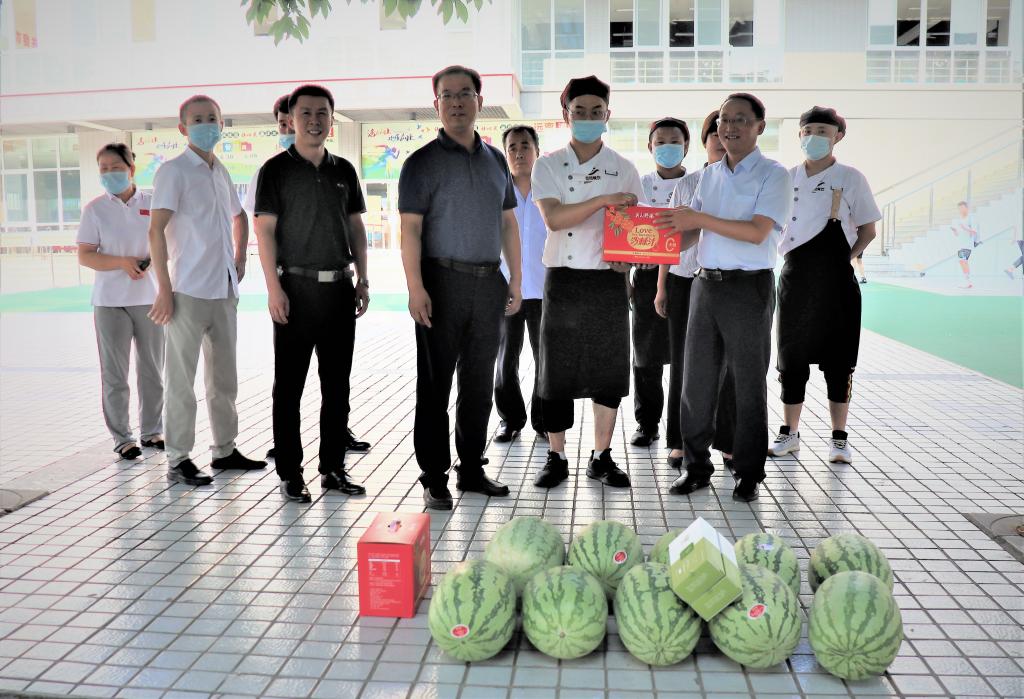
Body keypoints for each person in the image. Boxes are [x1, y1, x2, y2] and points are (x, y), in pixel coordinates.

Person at [657, 93, 792, 502]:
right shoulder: (710, 175)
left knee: (747, 383)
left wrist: (697, 218)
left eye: (740, 120)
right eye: (724, 120)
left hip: (748, 288)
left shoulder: (774, 175)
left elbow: (756, 231)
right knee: (695, 382)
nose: (730, 127)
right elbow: (691, 234)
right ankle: (697, 467)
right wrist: (647, 238)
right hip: (705, 285)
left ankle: (748, 472)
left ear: (759, 126)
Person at [399, 65, 523, 510]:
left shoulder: (495, 160)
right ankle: (434, 475)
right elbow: (410, 230)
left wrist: (515, 278)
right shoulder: (421, 163)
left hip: (489, 282)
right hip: (440, 282)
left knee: (478, 383)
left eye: (465, 93)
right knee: (435, 385)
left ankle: (471, 468)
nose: (456, 102)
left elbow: (507, 223)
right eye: (447, 95)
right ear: (436, 104)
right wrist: (415, 287)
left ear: (479, 101)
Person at [253, 84, 370, 503]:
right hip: (294, 291)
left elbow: (356, 227)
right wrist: (273, 289)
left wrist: (363, 279)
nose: (315, 121)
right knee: (289, 388)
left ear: (332, 119)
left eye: (323, 113)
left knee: (337, 386)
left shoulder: (344, 170)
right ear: (291, 118)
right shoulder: (275, 170)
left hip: (339, 290)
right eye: (306, 113)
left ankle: (333, 468)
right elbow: (264, 232)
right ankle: (290, 472)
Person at [530, 75, 645, 490]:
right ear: (566, 115)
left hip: (607, 282)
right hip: (562, 279)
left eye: (596, 112)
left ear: (607, 115)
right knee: (556, 370)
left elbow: (638, 231)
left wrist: (628, 260)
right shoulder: (547, 165)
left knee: (608, 370)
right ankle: (556, 455)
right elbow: (554, 218)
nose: (588, 118)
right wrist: (603, 200)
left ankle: (601, 456)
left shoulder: (625, 169)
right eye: (579, 111)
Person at [148, 94, 266, 486]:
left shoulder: (220, 171)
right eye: (197, 119)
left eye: (212, 118)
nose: (206, 125)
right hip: (187, 291)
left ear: (222, 124)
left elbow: (239, 216)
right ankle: (179, 458)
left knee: (224, 379)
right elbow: (155, 231)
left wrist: (241, 257)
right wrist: (163, 289)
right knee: (181, 381)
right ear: (183, 128)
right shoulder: (173, 172)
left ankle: (224, 450)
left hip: (223, 289)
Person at [768, 106, 880, 466]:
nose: (814, 137)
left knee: (839, 362)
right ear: (799, 135)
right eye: (808, 131)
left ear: (837, 137)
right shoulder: (785, 177)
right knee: (791, 359)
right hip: (795, 278)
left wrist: (845, 257)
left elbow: (868, 230)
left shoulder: (851, 177)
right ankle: (790, 433)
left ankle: (839, 439)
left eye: (822, 131)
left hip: (837, 284)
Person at [654, 111, 735, 473]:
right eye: (714, 133)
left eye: (729, 130)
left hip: (729, 282)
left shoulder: (747, 182)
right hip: (684, 280)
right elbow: (669, 240)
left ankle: (729, 442)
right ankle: (678, 440)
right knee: (684, 365)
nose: (722, 138)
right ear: (704, 142)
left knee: (730, 367)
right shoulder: (687, 185)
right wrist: (661, 286)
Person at [77, 143, 164, 461]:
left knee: (153, 370)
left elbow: (170, 242)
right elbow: (86, 255)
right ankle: (123, 438)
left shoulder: (153, 203)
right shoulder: (95, 209)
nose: (109, 173)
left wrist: (153, 262)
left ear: (131, 169)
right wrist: (122, 262)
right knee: (115, 374)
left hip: (150, 300)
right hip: (110, 302)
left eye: (116, 167)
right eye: (103, 169)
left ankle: (152, 431)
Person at [630, 118, 689, 449]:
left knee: (685, 354)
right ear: (650, 147)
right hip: (646, 276)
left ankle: (682, 425)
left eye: (675, 141)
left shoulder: (697, 184)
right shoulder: (639, 185)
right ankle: (647, 423)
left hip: (685, 277)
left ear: (686, 146)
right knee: (646, 354)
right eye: (661, 142)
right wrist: (627, 273)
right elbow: (624, 232)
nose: (668, 147)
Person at [493, 125, 547, 444]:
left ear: (537, 151)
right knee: (505, 359)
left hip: (543, 290)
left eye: (525, 146)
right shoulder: (498, 193)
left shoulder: (549, 192)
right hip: (506, 290)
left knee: (545, 360)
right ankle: (510, 419)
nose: (519, 153)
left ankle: (543, 420)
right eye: (512, 147)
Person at [951, 201, 979, 289]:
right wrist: (955, 231)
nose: (960, 210)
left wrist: (965, 228)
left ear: (966, 208)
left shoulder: (971, 218)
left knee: (963, 260)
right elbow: (958, 234)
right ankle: (967, 281)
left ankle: (968, 281)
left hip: (967, 244)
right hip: (960, 244)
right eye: (959, 208)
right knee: (962, 261)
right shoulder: (959, 220)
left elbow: (974, 232)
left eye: (962, 208)